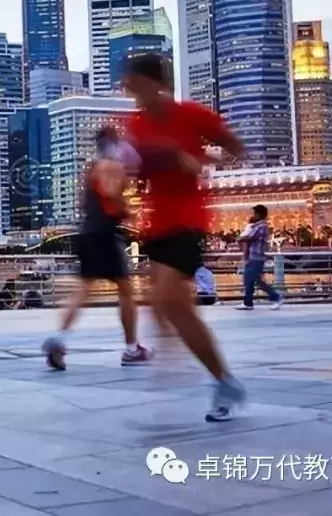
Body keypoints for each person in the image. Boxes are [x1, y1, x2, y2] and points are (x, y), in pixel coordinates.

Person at [122, 53, 247, 422]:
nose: (130, 90)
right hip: (156, 224)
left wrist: (204, 160)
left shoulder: (192, 115)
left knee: (171, 303)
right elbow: (139, 171)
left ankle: (224, 381)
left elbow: (236, 149)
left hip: (188, 220)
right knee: (168, 307)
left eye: (134, 83)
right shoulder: (136, 124)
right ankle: (217, 375)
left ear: (156, 83)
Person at [43, 127, 151, 371]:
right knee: (125, 290)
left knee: (83, 290)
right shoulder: (112, 167)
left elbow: (87, 202)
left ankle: (59, 338)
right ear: (114, 144)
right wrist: (129, 212)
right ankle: (132, 348)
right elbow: (112, 195)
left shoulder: (91, 169)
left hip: (87, 233)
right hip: (105, 235)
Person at [235, 205, 284, 311]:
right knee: (253, 280)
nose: (253, 215)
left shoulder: (262, 226)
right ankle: (248, 303)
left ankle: (276, 297)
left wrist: (240, 238)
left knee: (251, 279)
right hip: (252, 256)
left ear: (259, 214)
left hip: (257, 257)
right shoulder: (256, 225)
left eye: (255, 213)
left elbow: (250, 236)